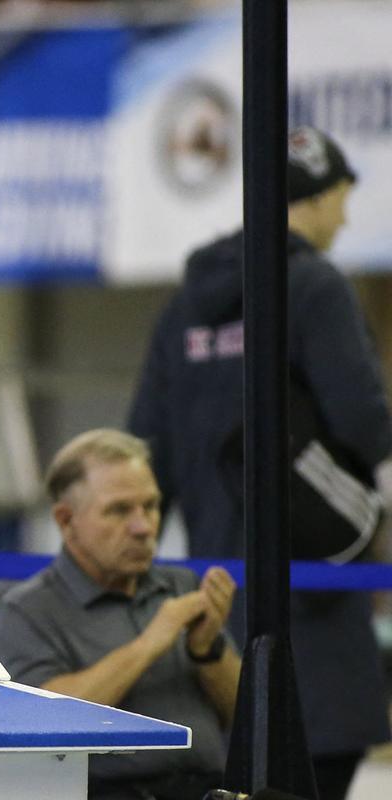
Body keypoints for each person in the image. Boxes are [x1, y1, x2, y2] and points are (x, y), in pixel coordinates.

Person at [128, 126, 391, 800]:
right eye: (341, 197)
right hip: (317, 619)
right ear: (318, 195)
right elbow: (363, 416)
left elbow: (143, 450)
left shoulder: (182, 308)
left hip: (216, 617)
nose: (346, 216)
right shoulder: (313, 286)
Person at [0, 429, 241, 800]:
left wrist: (207, 651)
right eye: (119, 510)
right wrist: (149, 644)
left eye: (151, 506)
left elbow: (242, 713)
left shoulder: (181, 585)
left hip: (209, 788)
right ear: (65, 520)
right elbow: (47, 722)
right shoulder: (27, 611)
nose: (143, 527)